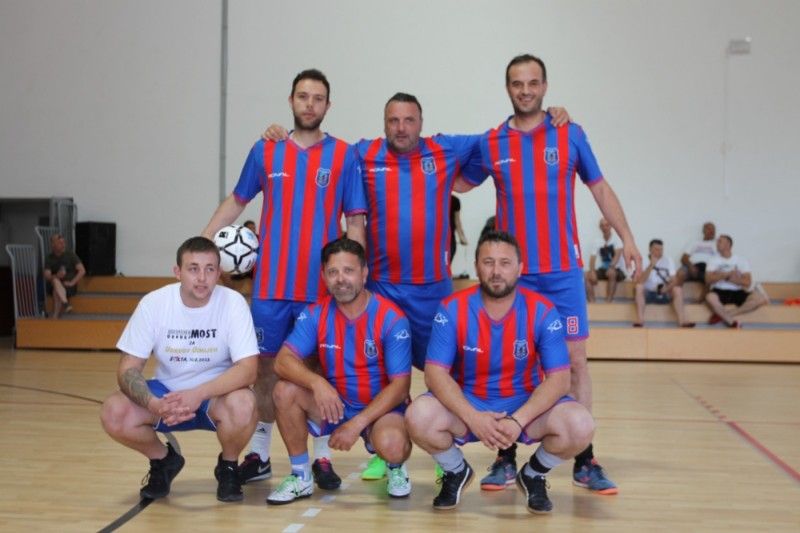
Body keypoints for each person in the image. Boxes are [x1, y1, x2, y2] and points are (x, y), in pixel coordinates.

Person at [263, 92, 571, 481]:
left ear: (421, 123)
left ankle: (472, 453)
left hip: (431, 293)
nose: (401, 127)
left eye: (409, 120)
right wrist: (284, 136)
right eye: (393, 120)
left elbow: (499, 137)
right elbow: (320, 152)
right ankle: (383, 446)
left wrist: (545, 115)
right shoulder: (363, 154)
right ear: (384, 124)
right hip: (382, 287)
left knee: (450, 372)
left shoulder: (445, 149)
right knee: (374, 371)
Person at [460, 54, 642, 494]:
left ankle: (584, 459)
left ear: (545, 86)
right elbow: (456, 182)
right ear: (508, 88)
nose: (525, 90)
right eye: (517, 83)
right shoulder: (491, 142)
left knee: (576, 363)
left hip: (562, 274)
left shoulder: (570, 133)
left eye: (533, 83)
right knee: (512, 364)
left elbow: (599, 187)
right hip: (514, 277)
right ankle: (505, 457)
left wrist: (628, 238)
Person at [202, 68, 368, 489]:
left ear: (328, 106)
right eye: (303, 96)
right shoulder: (266, 150)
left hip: (320, 289)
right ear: (291, 101)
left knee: (318, 367)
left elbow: (355, 221)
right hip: (271, 287)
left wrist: (353, 278)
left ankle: (322, 456)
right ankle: (259, 453)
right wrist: (201, 245)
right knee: (263, 369)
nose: (310, 104)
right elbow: (236, 201)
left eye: (318, 98)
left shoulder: (344, 155)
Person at [405, 230, 595, 514]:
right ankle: (456, 470)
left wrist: (518, 421)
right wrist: (473, 417)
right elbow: (434, 374)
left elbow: (559, 379)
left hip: (524, 406)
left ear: (519, 268)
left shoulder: (542, 311)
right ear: (477, 267)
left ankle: (533, 474)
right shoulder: (452, 308)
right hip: (470, 404)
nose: (496, 271)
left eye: (505, 263)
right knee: (418, 415)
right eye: (488, 262)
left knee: (581, 425)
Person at [99, 236, 258, 502]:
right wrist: (154, 404)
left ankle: (229, 467)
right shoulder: (154, 303)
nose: (202, 277)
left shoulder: (233, 303)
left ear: (219, 273)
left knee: (245, 404)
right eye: (193, 268)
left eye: (209, 269)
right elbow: (127, 369)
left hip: (215, 397)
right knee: (113, 412)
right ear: (177, 272)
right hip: (167, 396)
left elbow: (248, 370)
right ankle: (163, 460)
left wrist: (198, 393)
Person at [266, 238, 413, 505]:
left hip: (381, 410)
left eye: (348, 271)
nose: (341, 279)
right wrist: (317, 383)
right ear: (324, 276)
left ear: (364, 274)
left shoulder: (391, 318)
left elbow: (401, 386)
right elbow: (282, 361)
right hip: (338, 404)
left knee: (393, 447)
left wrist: (356, 425)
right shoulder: (315, 314)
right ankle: (301, 476)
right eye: (333, 272)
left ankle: (395, 468)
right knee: (284, 390)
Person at [704, 234, 767, 328]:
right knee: (710, 297)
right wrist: (728, 274)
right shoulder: (713, 260)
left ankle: (724, 315)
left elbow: (747, 282)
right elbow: (708, 279)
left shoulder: (741, 260)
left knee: (760, 299)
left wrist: (723, 276)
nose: (717, 244)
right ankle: (731, 322)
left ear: (728, 245)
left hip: (737, 291)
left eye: (720, 241)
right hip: (719, 290)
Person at [633, 239, 695, 328]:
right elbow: (640, 281)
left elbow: (674, 280)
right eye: (656, 249)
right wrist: (651, 265)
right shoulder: (642, 260)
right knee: (639, 287)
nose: (659, 252)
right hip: (648, 293)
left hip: (664, 292)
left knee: (677, 289)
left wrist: (667, 288)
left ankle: (682, 321)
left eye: (661, 249)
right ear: (650, 249)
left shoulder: (668, 260)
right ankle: (640, 320)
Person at [43, 234, 85, 318]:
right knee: (55, 281)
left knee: (56, 291)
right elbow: (46, 276)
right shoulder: (49, 258)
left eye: (63, 242)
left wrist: (72, 282)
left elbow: (82, 270)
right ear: (53, 244)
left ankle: (55, 317)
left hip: (68, 284)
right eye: (59, 243)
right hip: (55, 284)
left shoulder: (70, 255)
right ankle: (65, 303)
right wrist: (56, 276)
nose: (62, 244)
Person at [585, 218, 626, 303]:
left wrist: (611, 267)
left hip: (616, 269)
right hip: (603, 270)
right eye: (602, 226)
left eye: (606, 225)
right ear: (600, 227)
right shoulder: (597, 242)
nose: (604, 228)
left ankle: (608, 302)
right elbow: (592, 258)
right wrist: (592, 271)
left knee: (611, 273)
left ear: (610, 226)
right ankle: (592, 302)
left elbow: (617, 255)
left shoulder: (617, 240)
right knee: (586, 275)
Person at [675, 222, 717, 296]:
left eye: (713, 229)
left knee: (711, 278)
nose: (712, 231)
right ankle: (677, 296)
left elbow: (720, 260)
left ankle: (701, 300)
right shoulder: (694, 242)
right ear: (703, 231)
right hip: (692, 265)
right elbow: (683, 258)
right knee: (680, 273)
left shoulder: (717, 244)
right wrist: (691, 267)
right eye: (709, 228)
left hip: (707, 268)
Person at [449, 194, 468, 265]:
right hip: (435, 238)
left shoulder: (454, 200)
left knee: (448, 261)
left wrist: (461, 236)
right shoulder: (433, 200)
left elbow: (457, 220)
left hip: (450, 237)